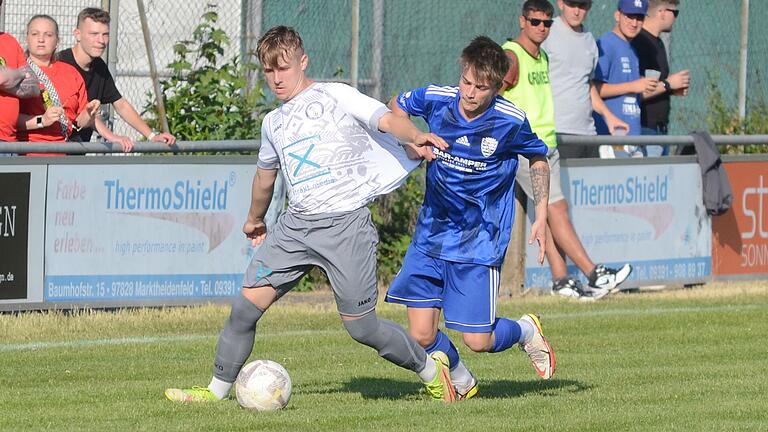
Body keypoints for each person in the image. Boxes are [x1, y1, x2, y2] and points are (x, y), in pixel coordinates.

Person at [165, 25, 459, 404]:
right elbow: (264, 177)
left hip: (345, 226)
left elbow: (385, 119)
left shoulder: (334, 94)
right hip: (296, 228)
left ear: (303, 61)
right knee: (244, 309)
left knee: (363, 329)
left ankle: (432, 371)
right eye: (268, 71)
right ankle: (213, 392)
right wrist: (255, 219)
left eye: (283, 69)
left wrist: (413, 135)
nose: (276, 79)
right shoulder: (273, 123)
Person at [385, 35, 555, 401]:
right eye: (466, 82)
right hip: (431, 234)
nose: (470, 93)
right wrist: (412, 140)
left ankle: (526, 331)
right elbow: (394, 107)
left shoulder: (509, 121)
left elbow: (538, 159)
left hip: (479, 240)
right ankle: (462, 381)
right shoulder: (437, 99)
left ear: (498, 86)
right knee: (421, 335)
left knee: (479, 339)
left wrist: (541, 215)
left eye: (481, 87)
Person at [501, 0, 633, 300]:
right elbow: (492, 95)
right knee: (556, 209)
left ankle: (561, 280)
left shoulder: (542, 56)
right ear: (523, 21)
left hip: (546, 146)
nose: (542, 28)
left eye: (546, 23)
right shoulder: (511, 55)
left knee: (549, 213)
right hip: (525, 149)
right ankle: (594, 274)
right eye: (535, 22)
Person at [58, 7, 176, 151]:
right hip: (51, 149)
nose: (101, 40)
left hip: (76, 152)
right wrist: (112, 136)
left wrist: (151, 136)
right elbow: (80, 114)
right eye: (94, 34)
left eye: (105, 34)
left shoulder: (99, 67)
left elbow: (121, 104)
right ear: (78, 34)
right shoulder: (59, 63)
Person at [541, 0, 629, 159]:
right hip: (556, 132)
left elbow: (587, 85)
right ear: (560, 3)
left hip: (587, 133)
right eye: (572, 5)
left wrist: (609, 117)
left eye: (582, 6)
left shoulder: (589, 39)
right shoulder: (545, 31)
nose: (576, 11)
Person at [16, 15, 100, 154]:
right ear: (27, 39)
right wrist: (41, 120)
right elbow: (8, 119)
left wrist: (89, 114)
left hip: (64, 153)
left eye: (48, 35)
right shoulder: (17, 71)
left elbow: (79, 122)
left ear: (57, 42)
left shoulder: (70, 72)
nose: (41, 39)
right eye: (35, 34)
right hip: (27, 152)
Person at [593, 0, 658, 158]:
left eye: (639, 18)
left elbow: (630, 93)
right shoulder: (605, 44)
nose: (634, 23)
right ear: (617, 15)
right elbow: (595, 89)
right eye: (629, 16)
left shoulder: (632, 50)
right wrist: (633, 85)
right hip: (612, 137)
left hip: (633, 135)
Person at [631, 0, 689, 156]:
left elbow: (656, 85)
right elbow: (635, 91)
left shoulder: (657, 42)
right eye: (674, 13)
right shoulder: (639, 42)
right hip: (645, 128)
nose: (675, 18)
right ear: (662, 12)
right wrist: (669, 84)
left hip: (660, 130)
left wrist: (671, 89)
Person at [0, 0, 40, 144]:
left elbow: (34, 87)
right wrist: (21, 74)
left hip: (9, 141)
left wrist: (11, 76)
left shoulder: (9, 41)